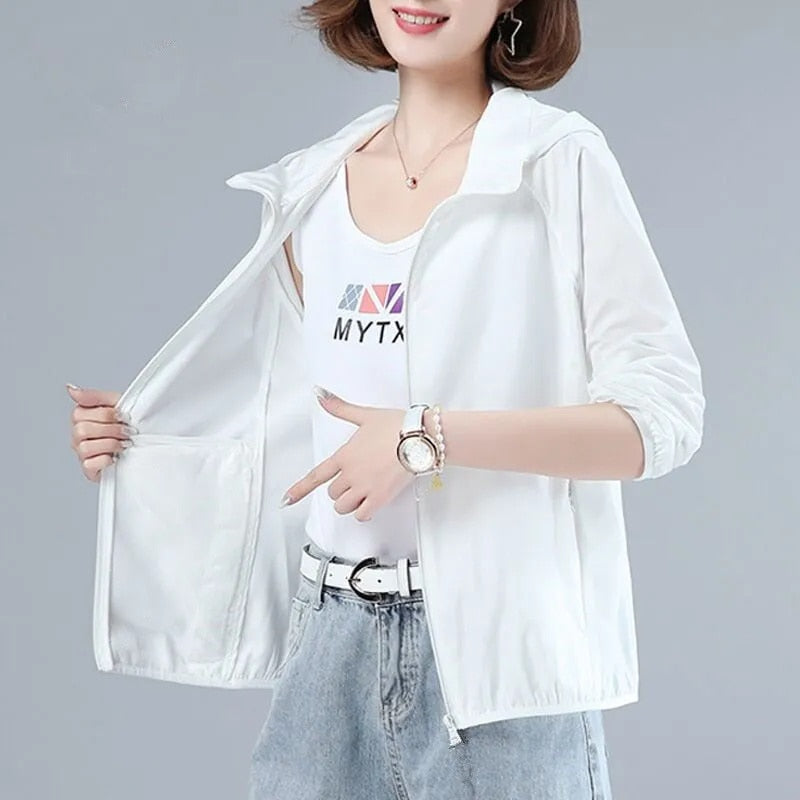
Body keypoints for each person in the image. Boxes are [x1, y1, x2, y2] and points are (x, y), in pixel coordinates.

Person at [67, 1, 705, 797]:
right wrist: (142, 442)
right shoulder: (312, 186)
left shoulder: (555, 163)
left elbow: (660, 418)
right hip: (327, 650)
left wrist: (424, 439)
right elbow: (284, 421)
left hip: (497, 663)